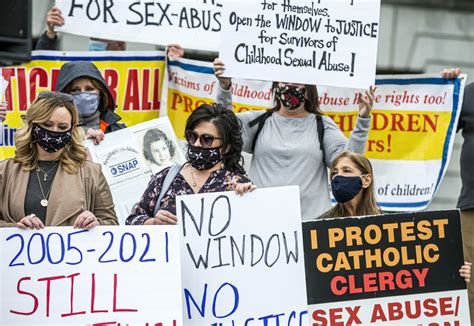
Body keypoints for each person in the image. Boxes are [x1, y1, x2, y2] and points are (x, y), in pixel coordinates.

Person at [213, 59, 376, 221]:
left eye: (298, 81)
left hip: (311, 224)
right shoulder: (259, 120)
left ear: (309, 89)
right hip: (262, 220)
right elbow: (223, 128)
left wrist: (363, 118)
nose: (291, 87)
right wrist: (224, 87)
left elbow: (351, 160)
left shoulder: (322, 125)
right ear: (276, 86)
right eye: (285, 81)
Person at [319, 151, 472, 283]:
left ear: (366, 180)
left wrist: (454, 272)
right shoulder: (320, 227)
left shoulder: (391, 229)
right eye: (334, 173)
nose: (338, 176)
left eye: (346, 171)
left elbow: (417, 269)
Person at [0, 92, 118, 228]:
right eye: (47, 124)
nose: (54, 131)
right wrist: (16, 228)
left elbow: (111, 223)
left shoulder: (91, 173)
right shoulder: (5, 171)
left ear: (72, 129)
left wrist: (96, 223)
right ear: (32, 124)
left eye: (62, 127)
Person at [126, 103, 255, 226]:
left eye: (207, 139)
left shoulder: (239, 185)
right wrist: (153, 223)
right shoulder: (165, 177)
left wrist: (248, 199)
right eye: (192, 136)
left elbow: (252, 231)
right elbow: (132, 220)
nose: (197, 143)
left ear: (226, 147)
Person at [442, 67, 474, 321]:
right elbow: (438, 128)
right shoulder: (469, 95)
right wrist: (444, 90)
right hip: (471, 208)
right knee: (469, 284)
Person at [36, 6, 185, 57]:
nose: (94, 42)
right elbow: (43, 69)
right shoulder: (75, 70)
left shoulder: (138, 73)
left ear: (120, 43)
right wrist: (50, 32)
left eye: (102, 37)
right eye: (94, 37)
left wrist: (173, 63)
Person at [55, 60, 125, 144]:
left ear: (100, 93)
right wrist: (78, 133)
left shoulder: (119, 131)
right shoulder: (52, 133)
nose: (83, 95)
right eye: (75, 90)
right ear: (64, 95)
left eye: (89, 89)